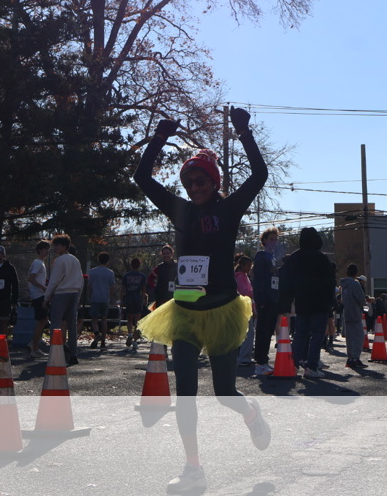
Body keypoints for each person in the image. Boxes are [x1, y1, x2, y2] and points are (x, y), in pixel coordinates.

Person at [134, 109, 271, 493]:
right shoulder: (180, 210)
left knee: (225, 392)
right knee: (186, 394)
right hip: (185, 312)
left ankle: (252, 413)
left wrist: (243, 132)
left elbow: (259, 176)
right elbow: (142, 178)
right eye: (188, 182)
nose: (194, 187)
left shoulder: (228, 209)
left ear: (214, 182)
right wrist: (159, 138)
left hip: (222, 310)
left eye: (201, 181)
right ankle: (193, 468)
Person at [289, 227, 336, 378]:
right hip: (320, 302)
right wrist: (331, 301)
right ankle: (311, 366)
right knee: (317, 335)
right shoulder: (321, 258)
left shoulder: (295, 257)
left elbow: (288, 279)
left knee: (300, 334)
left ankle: (293, 365)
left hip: (302, 301)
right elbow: (330, 282)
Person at [43, 234, 84, 366]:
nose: (55, 248)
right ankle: (73, 354)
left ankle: (55, 353)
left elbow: (54, 280)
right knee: (72, 325)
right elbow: (80, 280)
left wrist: (46, 298)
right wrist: (78, 296)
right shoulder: (75, 260)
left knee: (55, 324)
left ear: (65, 246)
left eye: (58, 245)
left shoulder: (60, 260)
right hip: (74, 293)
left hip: (61, 293)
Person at [252, 228, 280, 377]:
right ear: (264, 241)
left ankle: (264, 359)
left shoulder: (272, 257)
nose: (273, 242)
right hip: (265, 300)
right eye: (271, 239)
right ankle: (260, 362)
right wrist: (260, 300)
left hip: (273, 299)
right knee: (262, 331)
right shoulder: (261, 257)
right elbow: (259, 281)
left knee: (269, 331)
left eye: (275, 239)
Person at [340, 263, 367, 368]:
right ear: (356, 273)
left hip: (347, 312)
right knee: (358, 337)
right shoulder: (355, 284)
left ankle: (350, 358)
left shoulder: (343, 284)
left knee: (349, 338)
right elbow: (361, 299)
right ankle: (356, 358)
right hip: (355, 313)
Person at [87, 251, 116, 349]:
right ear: (108, 261)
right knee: (104, 319)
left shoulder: (92, 271)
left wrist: (90, 295)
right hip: (105, 298)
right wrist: (109, 296)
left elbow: (90, 285)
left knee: (94, 319)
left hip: (95, 297)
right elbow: (112, 287)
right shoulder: (110, 273)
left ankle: (96, 333)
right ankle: (103, 341)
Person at [27, 240, 51, 357]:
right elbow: (31, 278)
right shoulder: (38, 263)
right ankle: (34, 347)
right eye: (46, 249)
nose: (47, 252)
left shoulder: (40, 263)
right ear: (40, 250)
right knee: (41, 320)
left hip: (39, 294)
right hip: (38, 295)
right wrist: (43, 288)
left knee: (44, 320)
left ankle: (34, 343)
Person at [121, 258, 148, 348]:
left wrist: (121, 300)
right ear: (139, 265)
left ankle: (129, 334)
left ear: (131, 265)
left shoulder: (126, 276)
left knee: (129, 319)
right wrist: (143, 299)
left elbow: (123, 289)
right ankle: (135, 340)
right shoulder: (142, 276)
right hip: (137, 299)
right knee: (137, 321)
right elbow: (143, 289)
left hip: (128, 299)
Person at [235, 255, 256, 365]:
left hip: (245, 307)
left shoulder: (244, 277)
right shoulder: (240, 278)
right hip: (244, 308)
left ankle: (242, 356)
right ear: (242, 266)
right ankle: (244, 357)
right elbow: (245, 292)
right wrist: (255, 291)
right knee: (249, 333)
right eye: (248, 266)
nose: (250, 268)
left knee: (246, 333)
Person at [149, 245, 178, 309]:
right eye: (164, 254)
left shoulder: (178, 266)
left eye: (168, 253)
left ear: (172, 254)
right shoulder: (159, 267)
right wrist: (155, 288)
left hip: (175, 296)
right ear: (162, 255)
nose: (166, 255)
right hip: (161, 297)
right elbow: (150, 279)